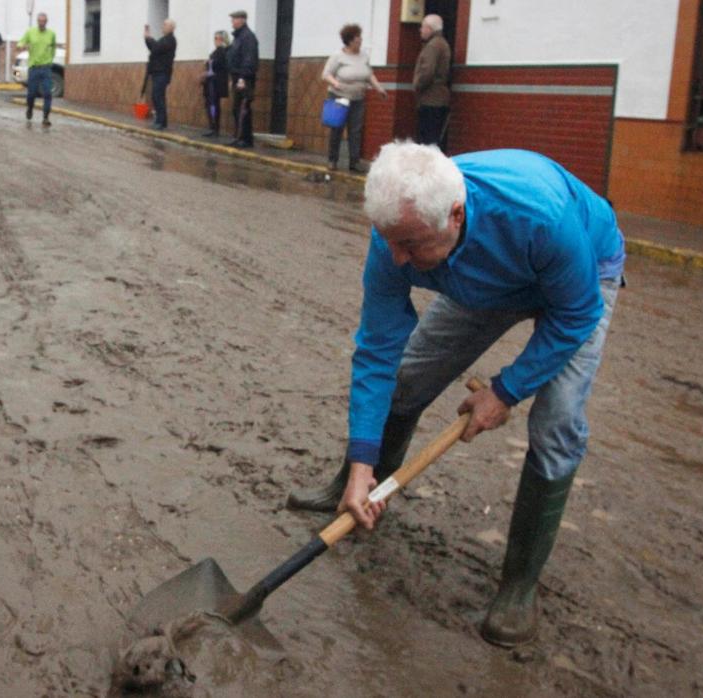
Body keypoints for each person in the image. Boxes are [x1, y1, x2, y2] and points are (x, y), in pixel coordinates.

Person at [286, 142, 626, 648]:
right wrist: (362, 464)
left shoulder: (537, 214)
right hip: (489, 279)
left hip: (578, 275)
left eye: (410, 244)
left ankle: (519, 586)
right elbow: (378, 350)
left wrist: (505, 392)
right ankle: (354, 491)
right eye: (390, 242)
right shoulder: (397, 235)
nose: (398, 257)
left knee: (555, 424)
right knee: (408, 378)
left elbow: (577, 314)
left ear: (455, 215)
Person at [321, 23, 387, 172]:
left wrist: (379, 89)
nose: (360, 41)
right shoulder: (338, 56)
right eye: (357, 39)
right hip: (340, 96)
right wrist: (336, 83)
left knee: (356, 130)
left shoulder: (363, 56)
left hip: (358, 97)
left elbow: (369, 75)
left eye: (360, 38)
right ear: (349, 41)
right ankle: (332, 160)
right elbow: (326, 74)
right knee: (337, 128)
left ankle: (354, 161)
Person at [414, 14, 451, 149]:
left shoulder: (432, 46)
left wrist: (417, 85)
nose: (420, 30)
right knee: (435, 137)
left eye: (422, 27)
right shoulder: (443, 43)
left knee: (427, 139)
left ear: (429, 28)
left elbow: (427, 72)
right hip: (440, 98)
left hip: (430, 98)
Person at [226, 10, 258, 148]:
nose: (232, 21)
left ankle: (245, 139)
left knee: (243, 108)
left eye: (235, 19)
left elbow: (249, 59)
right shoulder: (238, 37)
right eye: (232, 19)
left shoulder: (248, 37)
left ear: (243, 20)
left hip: (244, 78)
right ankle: (240, 137)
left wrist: (243, 78)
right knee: (237, 108)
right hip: (237, 76)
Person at [19, 12, 57, 126]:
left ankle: (45, 117)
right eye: (40, 21)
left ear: (46, 22)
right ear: (37, 22)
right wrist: (24, 45)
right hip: (33, 68)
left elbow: (53, 47)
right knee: (31, 94)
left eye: (43, 21)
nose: (41, 23)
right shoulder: (30, 32)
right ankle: (30, 108)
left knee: (47, 93)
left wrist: (50, 59)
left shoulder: (51, 34)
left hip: (46, 68)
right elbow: (20, 43)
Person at [142, 19, 177, 131]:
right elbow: (154, 48)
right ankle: (161, 121)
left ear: (171, 28)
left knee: (158, 97)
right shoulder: (165, 39)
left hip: (162, 73)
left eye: (165, 25)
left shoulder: (170, 40)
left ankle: (160, 122)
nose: (163, 26)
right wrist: (147, 38)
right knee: (157, 97)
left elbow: (156, 47)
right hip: (158, 72)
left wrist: (148, 38)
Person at [201, 31, 229, 138]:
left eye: (218, 38)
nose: (216, 41)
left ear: (223, 40)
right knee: (210, 105)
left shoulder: (222, 51)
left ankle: (215, 128)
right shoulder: (217, 51)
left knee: (213, 105)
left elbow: (216, 65)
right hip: (211, 83)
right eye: (215, 38)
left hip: (215, 84)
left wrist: (208, 62)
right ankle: (212, 127)